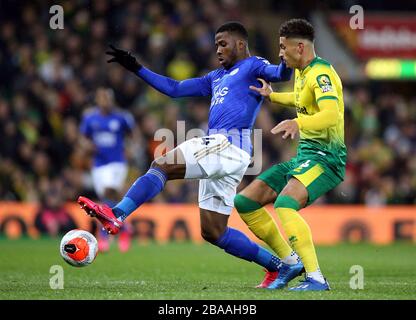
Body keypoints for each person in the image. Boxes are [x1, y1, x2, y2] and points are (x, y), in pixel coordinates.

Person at [78, 21, 293, 277]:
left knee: (161, 164)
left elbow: (280, 75)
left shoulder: (253, 64)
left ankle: (117, 213)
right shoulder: (216, 77)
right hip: (227, 155)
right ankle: (279, 267)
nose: (218, 50)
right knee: (214, 232)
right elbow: (175, 89)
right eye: (216, 45)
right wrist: (136, 68)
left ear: (240, 44)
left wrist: (285, 59)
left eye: (223, 44)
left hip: (227, 144)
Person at [235, 18, 346, 291]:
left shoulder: (322, 74)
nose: (281, 53)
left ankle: (316, 278)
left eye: (283, 47)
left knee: (285, 204)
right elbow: (299, 99)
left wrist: (298, 123)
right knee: (246, 201)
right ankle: (290, 261)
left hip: (326, 159)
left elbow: (330, 114)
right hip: (305, 156)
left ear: (300, 47)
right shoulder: (302, 72)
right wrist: (272, 96)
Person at [79, 87, 135, 252]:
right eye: (101, 98)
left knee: (109, 192)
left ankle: (103, 235)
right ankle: (125, 229)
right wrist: (86, 146)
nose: (104, 101)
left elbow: (133, 134)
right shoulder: (90, 118)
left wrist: (130, 148)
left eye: (107, 98)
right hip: (98, 164)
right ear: (97, 100)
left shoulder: (121, 117)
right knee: (105, 199)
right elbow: (82, 138)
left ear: (112, 100)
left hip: (117, 162)